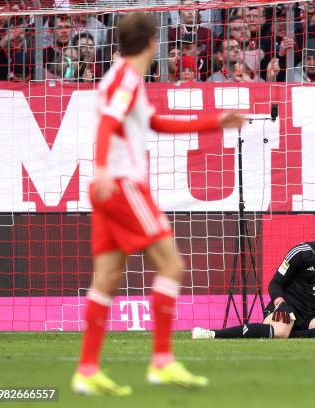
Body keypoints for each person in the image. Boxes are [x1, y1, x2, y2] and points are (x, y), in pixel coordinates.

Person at [71, 13, 244, 396]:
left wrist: (215, 122)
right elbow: (107, 124)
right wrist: (102, 169)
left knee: (108, 278)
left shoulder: (121, 75)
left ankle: (86, 369)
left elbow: (156, 123)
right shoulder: (127, 79)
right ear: (153, 42)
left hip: (108, 186)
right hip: (122, 185)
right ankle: (162, 361)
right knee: (172, 265)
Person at [192, 223, 315, 339]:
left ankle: (297, 336)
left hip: (312, 319)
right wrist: (280, 303)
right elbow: (275, 284)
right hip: (286, 309)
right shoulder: (302, 252)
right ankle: (212, 333)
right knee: (281, 331)